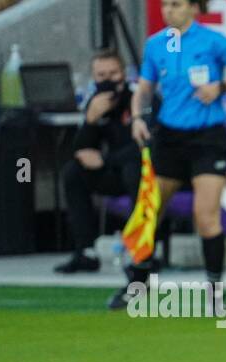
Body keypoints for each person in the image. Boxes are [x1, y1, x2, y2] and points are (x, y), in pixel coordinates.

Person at [108, 0, 226, 313]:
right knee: (150, 211)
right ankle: (138, 282)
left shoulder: (213, 40)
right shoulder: (155, 44)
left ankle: (216, 291)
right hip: (170, 137)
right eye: (165, 5)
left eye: (176, 4)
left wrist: (222, 85)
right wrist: (137, 117)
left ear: (193, 8)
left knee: (206, 216)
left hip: (208, 137)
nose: (168, 11)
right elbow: (145, 88)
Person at [55, 49, 140, 274]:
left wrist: (104, 159)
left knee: (134, 170)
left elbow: (146, 147)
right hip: (114, 171)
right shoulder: (96, 103)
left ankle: (142, 253)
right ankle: (86, 252)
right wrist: (91, 120)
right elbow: (80, 151)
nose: (109, 80)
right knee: (73, 172)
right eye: (101, 76)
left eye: (114, 73)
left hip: (144, 171)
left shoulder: (140, 98)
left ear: (124, 73)